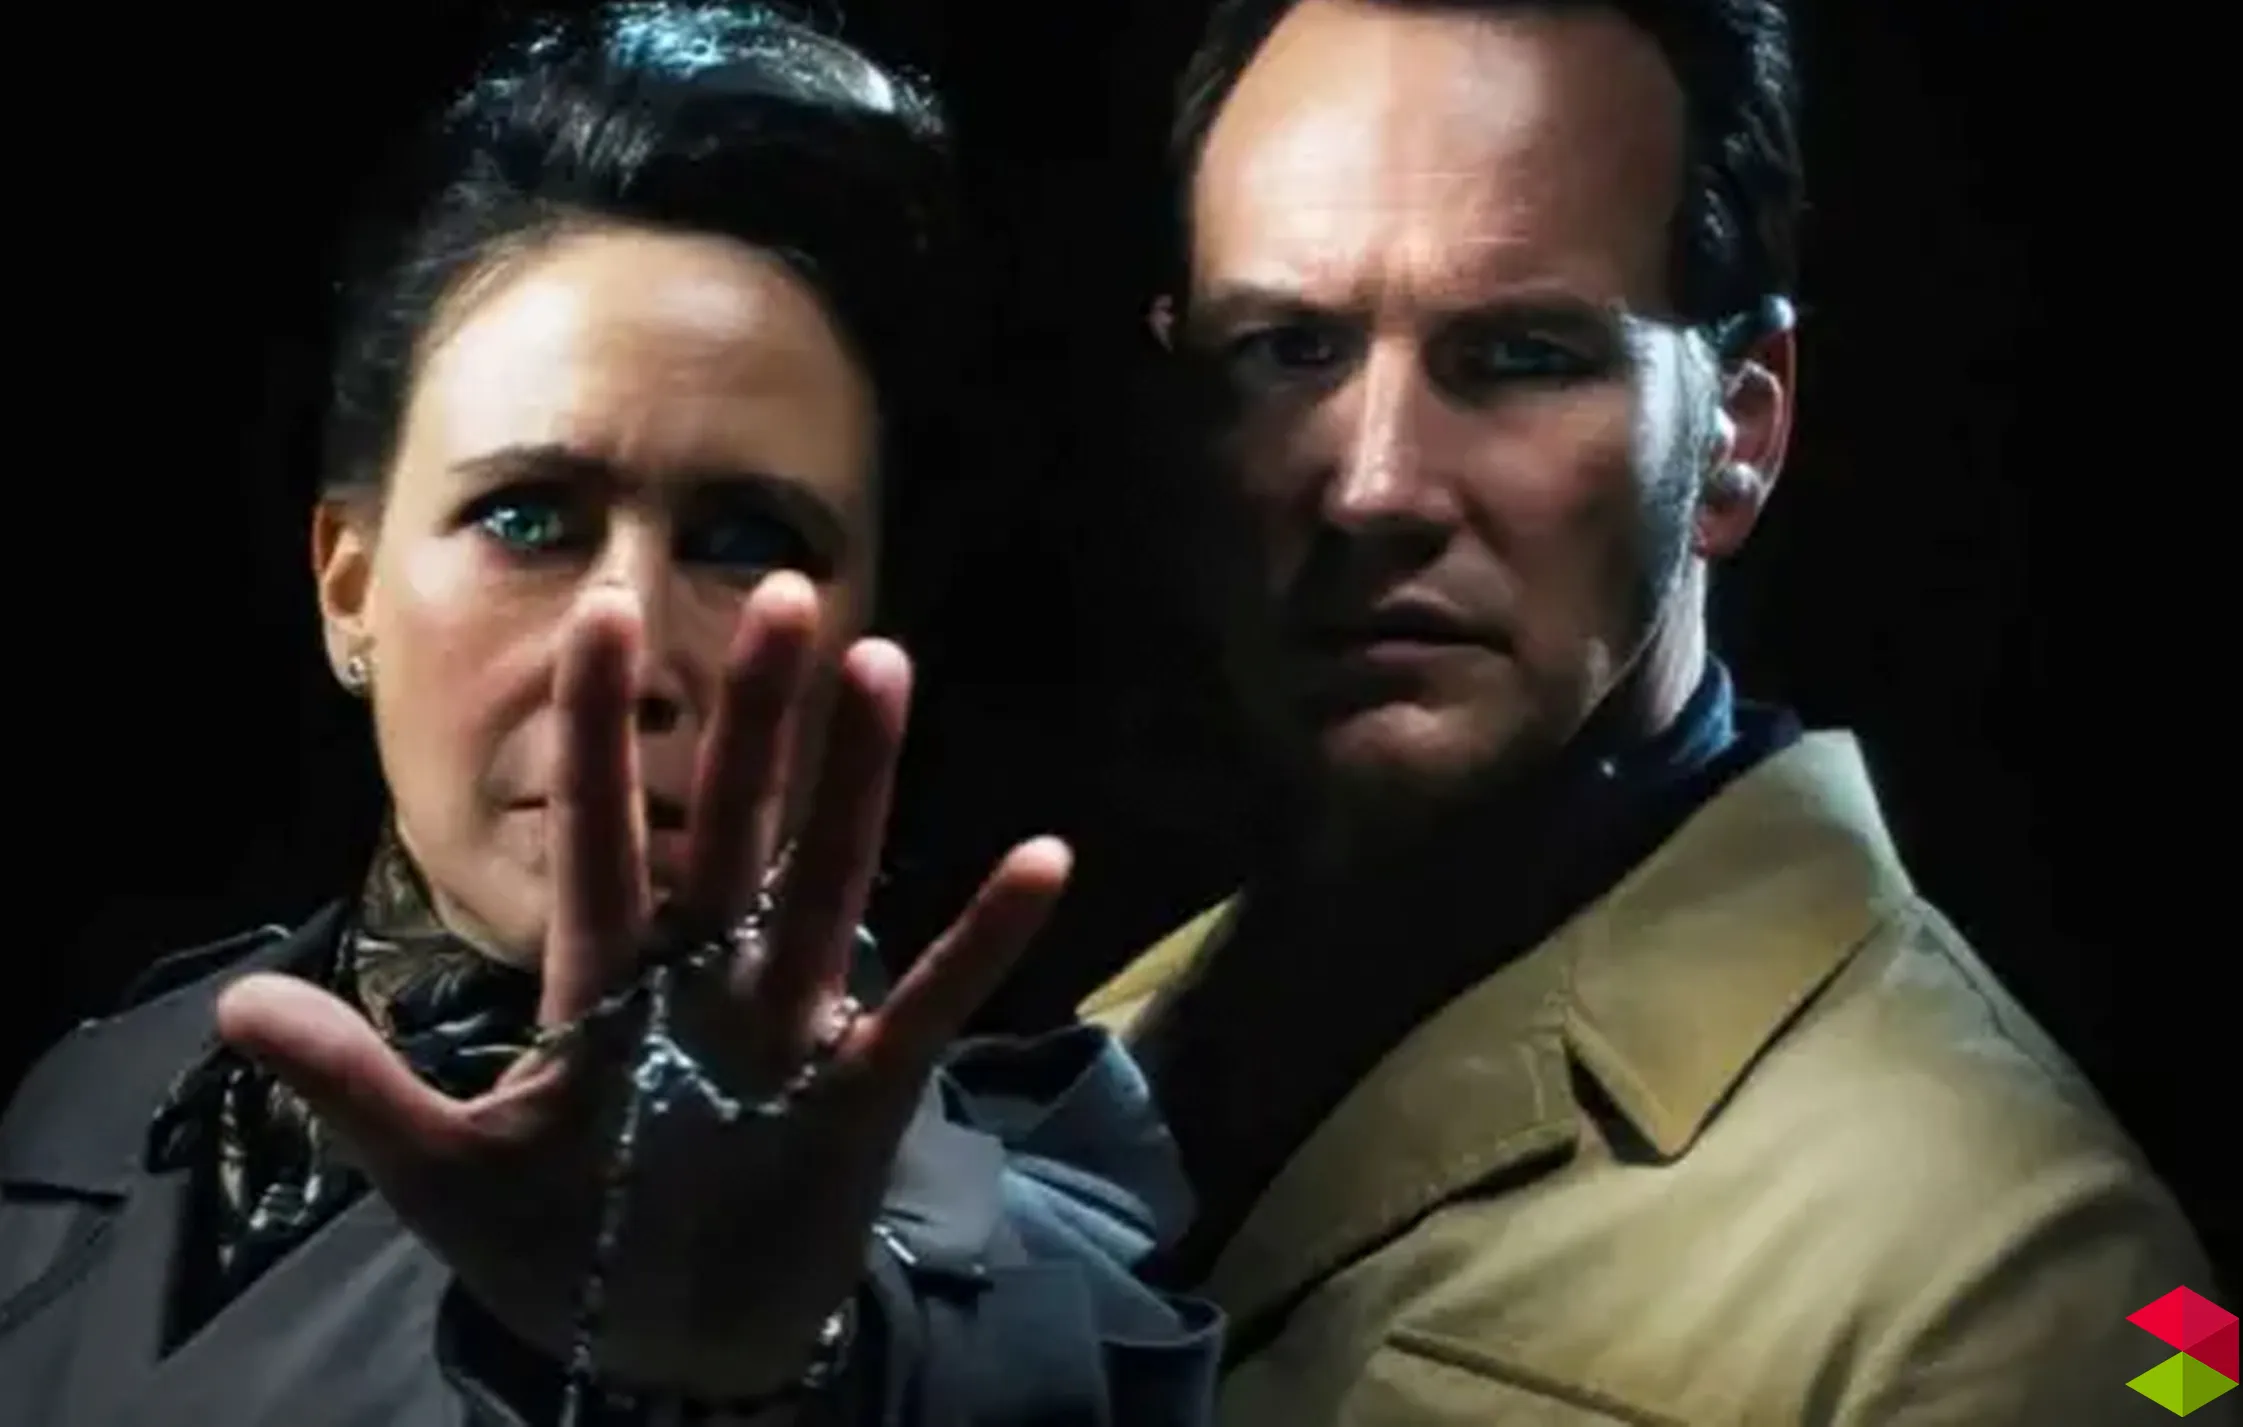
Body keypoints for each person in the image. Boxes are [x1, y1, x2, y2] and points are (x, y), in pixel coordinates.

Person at [0, 6, 1219, 1424]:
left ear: (861, 636)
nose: (626, 642)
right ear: (350, 585)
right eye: (527, 517)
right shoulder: (96, 1099)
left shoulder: (978, 1248)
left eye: (748, 539)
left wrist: (739, 1380)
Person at [1077, 0, 2234, 1422]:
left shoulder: (2043, 1277)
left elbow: (2179, 1374)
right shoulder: (1126, 1046)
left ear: (1739, 429)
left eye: (1521, 356)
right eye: (1285, 347)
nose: (1372, 485)